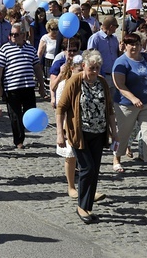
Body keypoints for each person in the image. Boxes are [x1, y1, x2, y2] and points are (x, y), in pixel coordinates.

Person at [57, 50, 117, 224]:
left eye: (98, 68)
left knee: (94, 170)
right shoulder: (75, 81)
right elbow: (61, 108)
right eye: (92, 68)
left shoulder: (102, 82)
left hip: (98, 133)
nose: (95, 71)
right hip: (79, 133)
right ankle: (81, 206)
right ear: (84, 66)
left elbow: (110, 109)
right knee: (87, 168)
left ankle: (88, 206)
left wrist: (115, 132)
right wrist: (60, 133)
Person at [112, 33, 147, 178]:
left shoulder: (146, 58)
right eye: (131, 44)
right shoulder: (121, 62)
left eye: (137, 44)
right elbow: (119, 85)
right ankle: (116, 158)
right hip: (126, 104)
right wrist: (133, 98)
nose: (134, 47)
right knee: (123, 134)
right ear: (125, 45)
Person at [0, 22, 46, 149]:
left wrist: (41, 84)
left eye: (16, 34)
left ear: (23, 35)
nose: (13, 37)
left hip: (28, 86)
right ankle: (18, 140)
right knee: (15, 115)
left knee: (29, 111)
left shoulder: (31, 49)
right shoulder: (4, 48)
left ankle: (25, 131)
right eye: (11, 34)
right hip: (12, 88)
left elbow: (37, 67)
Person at [54, 54, 83, 197]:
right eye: (79, 70)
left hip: (86, 124)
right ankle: (71, 186)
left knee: (86, 158)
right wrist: (62, 131)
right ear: (71, 69)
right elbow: (60, 109)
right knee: (71, 156)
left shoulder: (88, 83)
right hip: (70, 125)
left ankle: (86, 188)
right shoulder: (63, 85)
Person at [87, 16, 120, 90]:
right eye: (116, 26)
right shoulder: (95, 38)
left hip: (114, 75)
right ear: (111, 26)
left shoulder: (114, 39)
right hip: (101, 75)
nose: (116, 28)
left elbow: (117, 55)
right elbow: (90, 57)